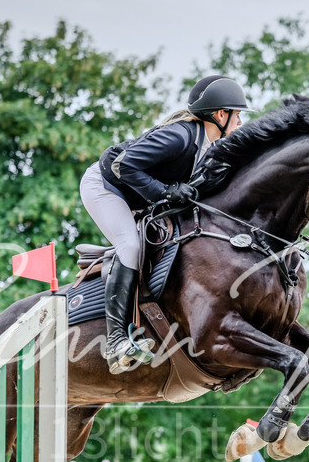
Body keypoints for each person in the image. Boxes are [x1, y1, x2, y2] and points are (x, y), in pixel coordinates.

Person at [79, 75, 251, 373]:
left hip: (136, 195)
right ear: (221, 115)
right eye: (236, 115)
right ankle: (117, 340)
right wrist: (165, 192)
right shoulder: (180, 136)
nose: (238, 123)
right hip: (105, 186)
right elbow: (124, 165)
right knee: (130, 246)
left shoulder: (209, 147)